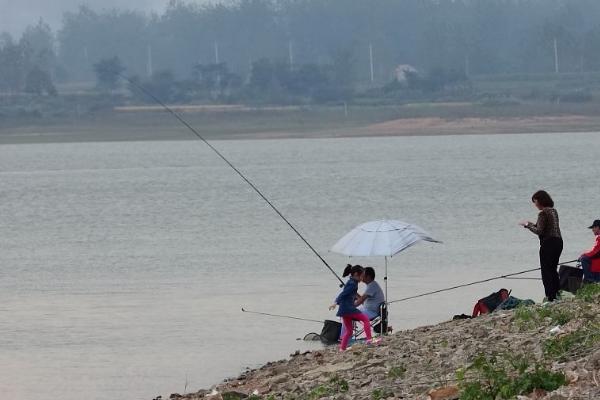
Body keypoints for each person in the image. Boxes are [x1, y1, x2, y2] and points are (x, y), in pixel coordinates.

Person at [519, 190, 563, 302]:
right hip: (558, 242)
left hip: (548, 244)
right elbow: (547, 227)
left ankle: (550, 297)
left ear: (540, 200)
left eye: (535, 201)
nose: (535, 204)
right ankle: (557, 294)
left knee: (546, 271)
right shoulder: (553, 211)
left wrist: (527, 225)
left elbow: (539, 231)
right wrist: (533, 224)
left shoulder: (543, 213)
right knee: (553, 269)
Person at [329, 265, 379, 351]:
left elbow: (349, 294)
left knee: (349, 331)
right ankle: (369, 340)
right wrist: (335, 302)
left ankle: (342, 348)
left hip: (344, 310)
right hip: (349, 309)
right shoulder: (352, 284)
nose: (362, 279)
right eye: (361, 276)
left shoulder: (351, 282)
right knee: (366, 320)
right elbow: (343, 294)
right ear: (356, 274)